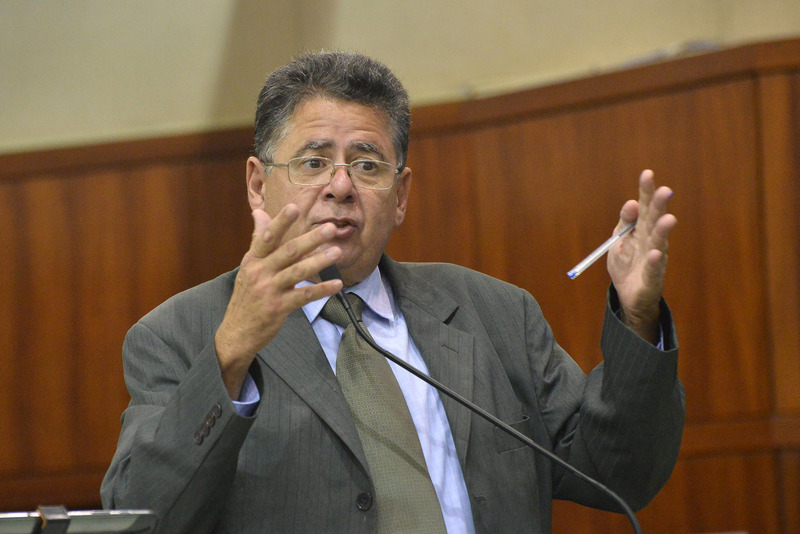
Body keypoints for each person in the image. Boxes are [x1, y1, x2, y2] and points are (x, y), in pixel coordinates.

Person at [101, 51, 683, 534]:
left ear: (400, 196)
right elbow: (143, 519)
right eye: (313, 162)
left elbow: (620, 472)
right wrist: (229, 354)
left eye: (367, 165)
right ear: (258, 185)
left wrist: (638, 319)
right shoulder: (178, 335)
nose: (340, 186)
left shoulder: (495, 313)